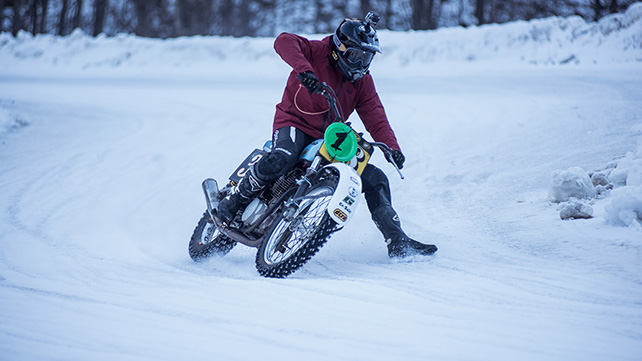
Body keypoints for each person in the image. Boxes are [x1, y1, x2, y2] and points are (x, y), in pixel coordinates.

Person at [217, 12, 437, 259]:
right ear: (339, 49)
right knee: (283, 156)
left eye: (367, 57)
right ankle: (233, 202)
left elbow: (374, 113)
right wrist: (305, 70)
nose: (360, 63)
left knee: (375, 178)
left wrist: (391, 148)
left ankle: (397, 240)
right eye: (355, 55)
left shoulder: (363, 81)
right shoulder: (318, 51)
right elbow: (283, 41)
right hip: (294, 122)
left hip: (330, 139)